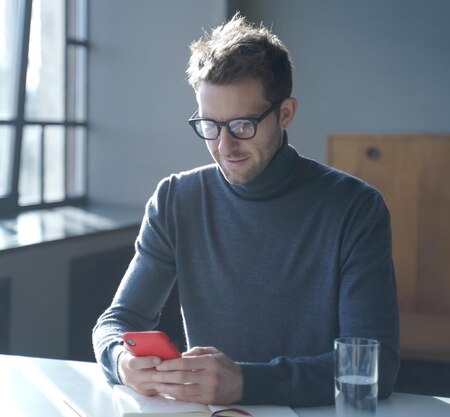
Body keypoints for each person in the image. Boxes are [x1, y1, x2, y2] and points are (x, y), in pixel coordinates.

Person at [92, 13, 399, 408]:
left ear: (285, 114)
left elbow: (378, 368)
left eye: (242, 125)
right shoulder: (175, 200)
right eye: (210, 125)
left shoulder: (356, 209)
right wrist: (122, 361)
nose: (224, 146)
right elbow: (116, 324)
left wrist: (247, 382)